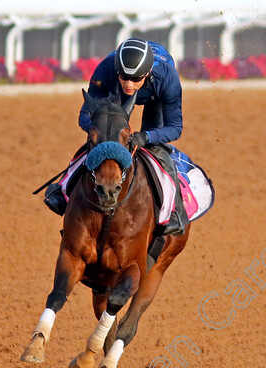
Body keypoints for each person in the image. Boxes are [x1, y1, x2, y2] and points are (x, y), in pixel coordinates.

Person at [44, 37, 188, 236]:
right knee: (98, 142)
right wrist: (101, 132)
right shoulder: (106, 70)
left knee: (157, 150)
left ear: (147, 73)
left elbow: (175, 127)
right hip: (113, 98)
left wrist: (145, 137)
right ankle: (62, 191)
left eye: (136, 79)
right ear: (116, 70)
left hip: (155, 98)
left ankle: (174, 212)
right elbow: (84, 115)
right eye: (124, 77)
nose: (129, 84)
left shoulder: (167, 77)